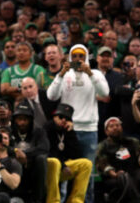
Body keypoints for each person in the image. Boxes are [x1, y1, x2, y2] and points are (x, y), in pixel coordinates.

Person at [46, 43, 109, 203]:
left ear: (87, 57)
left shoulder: (96, 73)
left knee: (88, 175)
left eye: (81, 56)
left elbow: (105, 92)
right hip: (67, 130)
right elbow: (51, 96)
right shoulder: (65, 75)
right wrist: (60, 75)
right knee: (65, 172)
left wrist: (90, 74)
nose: (78, 59)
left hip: (89, 129)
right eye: (75, 56)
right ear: (69, 58)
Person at [96, 117, 140, 203]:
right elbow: (103, 164)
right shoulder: (103, 146)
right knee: (125, 178)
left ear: (121, 128)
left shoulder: (132, 141)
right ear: (106, 131)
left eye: (117, 125)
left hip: (133, 173)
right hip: (114, 177)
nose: (115, 127)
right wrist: (113, 173)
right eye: (111, 126)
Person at [44, 103, 92, 203]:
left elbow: (77, 154)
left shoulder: (66, 131)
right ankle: (53, 201)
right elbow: (47, 152)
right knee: (55, 162)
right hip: (47, 168)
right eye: (61, 117)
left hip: (62, 168)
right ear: (54, 116)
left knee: (86, 164)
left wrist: (71, 132)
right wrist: (63, 165)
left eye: (67, 118)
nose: (63, 120)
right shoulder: (46, 128)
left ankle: (76, 200)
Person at [9, 101, 49, 202]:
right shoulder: (9, 131)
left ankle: (38, 199)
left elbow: (44, 147)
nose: (22, 122)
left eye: (25, 119)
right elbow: (3, 147)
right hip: (14, 167)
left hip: (33, 166)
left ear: (31, 120)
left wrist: (25, 154)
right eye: (19, 119)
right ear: (15, 120)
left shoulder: (39, 131)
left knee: (41, 158)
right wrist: (16, 152)